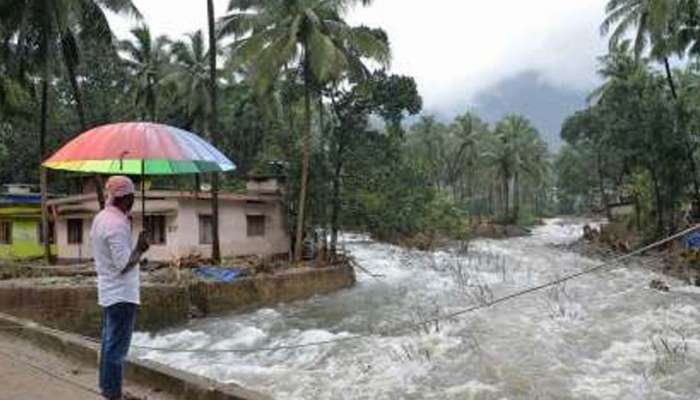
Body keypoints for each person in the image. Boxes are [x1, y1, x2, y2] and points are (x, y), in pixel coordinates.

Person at [91, 176, 149, 400]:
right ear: (126, 198)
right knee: (116, 349)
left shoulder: (102, 218)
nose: (134, 200)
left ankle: (108, 389)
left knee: (108, 344)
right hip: (121, 294)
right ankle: (114, 394)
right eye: (132, 197)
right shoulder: (116, 225)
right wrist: (140, 249)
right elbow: (123, 264)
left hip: (108, 291)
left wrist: (135, 251)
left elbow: (112, 258)